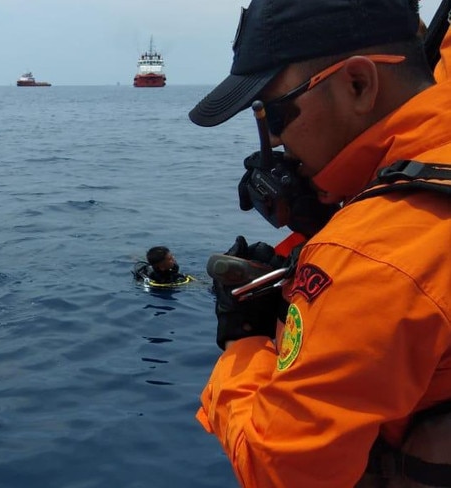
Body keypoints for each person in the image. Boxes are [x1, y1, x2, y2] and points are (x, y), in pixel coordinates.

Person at [188, 0, 451, 487]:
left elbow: (281, 470)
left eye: (275, 113)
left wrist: (243, 339)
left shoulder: (371, 259)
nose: (273, 144)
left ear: (358, 83)